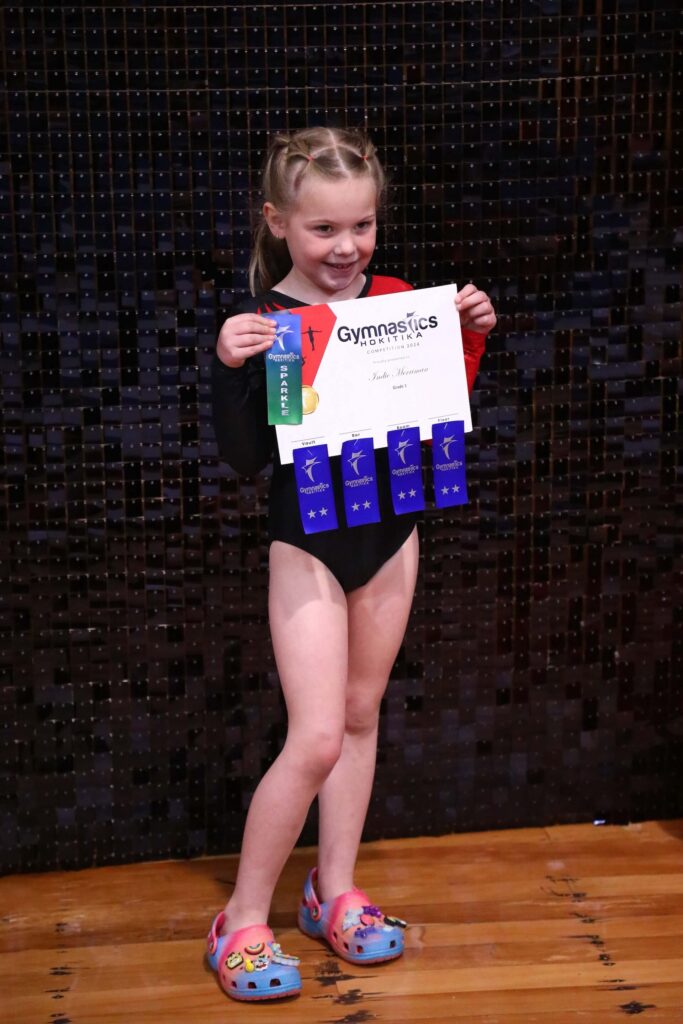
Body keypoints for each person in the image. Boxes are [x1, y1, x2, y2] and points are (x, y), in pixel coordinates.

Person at [207, 125, 496, 1002]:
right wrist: (229, 366)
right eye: (324, 229)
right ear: (279, 223)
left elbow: (429, 415)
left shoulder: (400, 301)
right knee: (318, 735)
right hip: (308, 547)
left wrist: (468, 338)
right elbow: (246, 458)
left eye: (361, 226)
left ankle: (331, 893)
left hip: (390, 537)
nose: (346, 247)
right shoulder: (271, 328)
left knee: (363, 715)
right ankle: (241, 922)